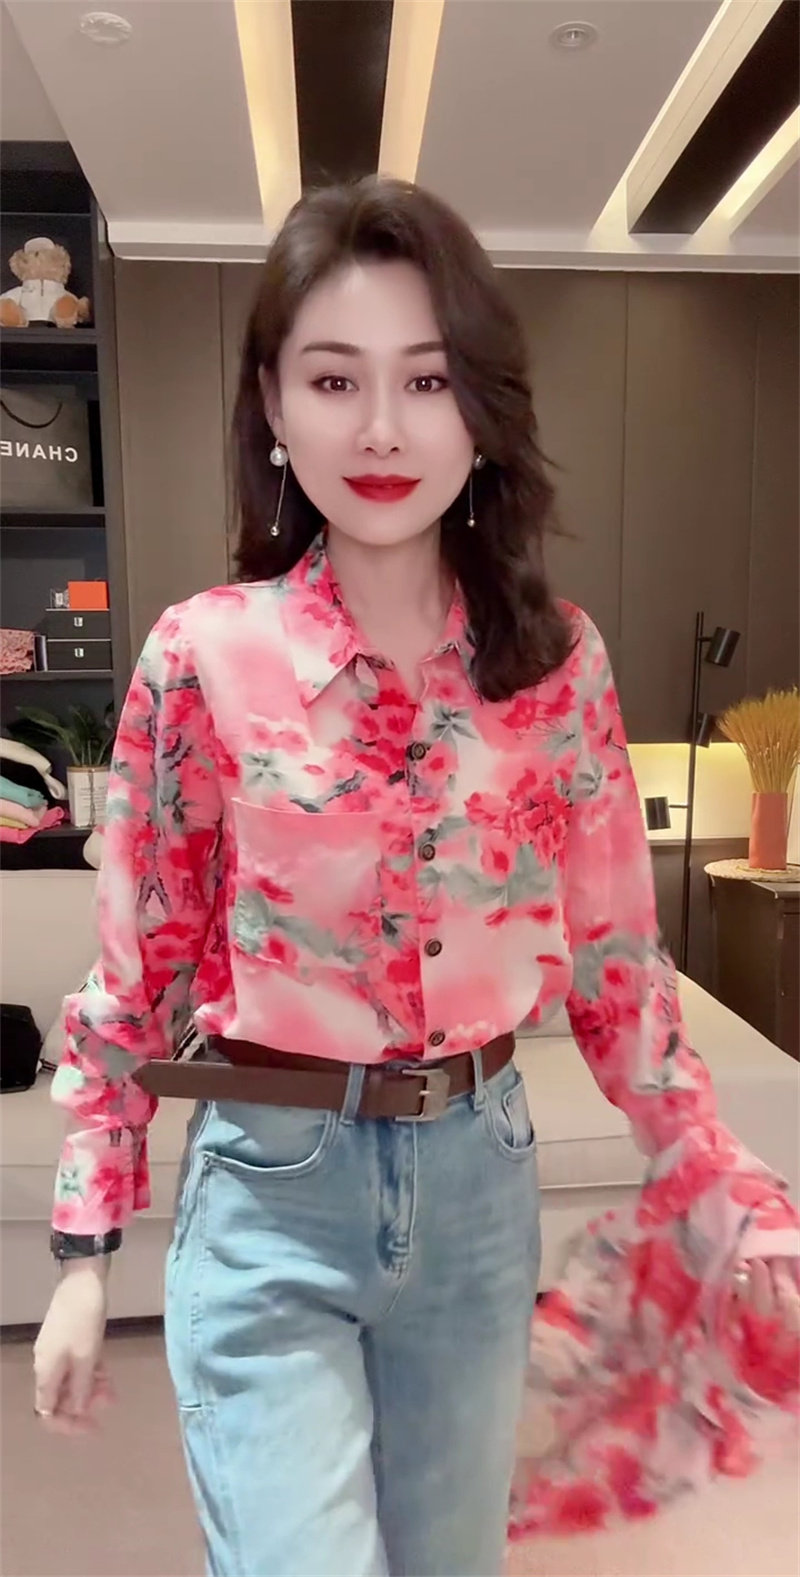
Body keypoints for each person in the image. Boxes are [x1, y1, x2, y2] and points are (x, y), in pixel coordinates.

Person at [33, 178, 798, 1576]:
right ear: (274, 404)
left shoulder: (556, 666)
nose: (381, 429)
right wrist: (84, 1249)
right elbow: (141, 963)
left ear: (480, 411)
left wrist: (711, 1162)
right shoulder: (203, 655)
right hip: (271, 1189)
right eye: (335, 379)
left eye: (427, 380)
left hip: (477, 1186)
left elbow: (618, 962)